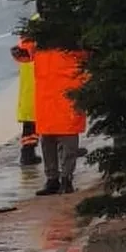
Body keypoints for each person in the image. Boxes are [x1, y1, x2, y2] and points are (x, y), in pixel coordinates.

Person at [33, 38, 90, 196]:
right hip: (47, 93)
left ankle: (65, 179)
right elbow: (26, 51)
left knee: (67, 135)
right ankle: (53, 179)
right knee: (48, 138)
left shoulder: (71, 30)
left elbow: (89, 53)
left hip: (67, 91)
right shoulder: (38, 33)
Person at [11, 11, 43, 166]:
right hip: (40, 72)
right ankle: (62, 148)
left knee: (30, 117)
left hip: (29, 74)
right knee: (48, 112)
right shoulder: (49, 22)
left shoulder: (32, 21)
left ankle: (28, 151)